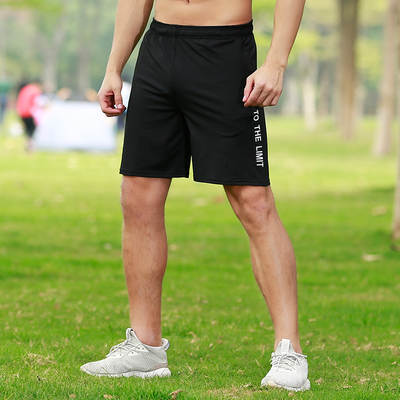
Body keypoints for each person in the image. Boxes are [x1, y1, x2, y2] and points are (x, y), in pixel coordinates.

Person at [80, 0, 309, 392]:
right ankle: (145, 346)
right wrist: (114, 67)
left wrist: (276, 61)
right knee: (137, 195)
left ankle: (290, 351)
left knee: (253, 201)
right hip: (158, 50)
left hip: (224, 51)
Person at [16, 81, 42, 152]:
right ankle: (30, 146)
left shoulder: (24, 89)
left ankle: (28, 144)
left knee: (27, 130)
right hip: (29, 112)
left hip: (21, 112)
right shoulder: (35, 90)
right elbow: (37, 101)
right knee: (32, 129)